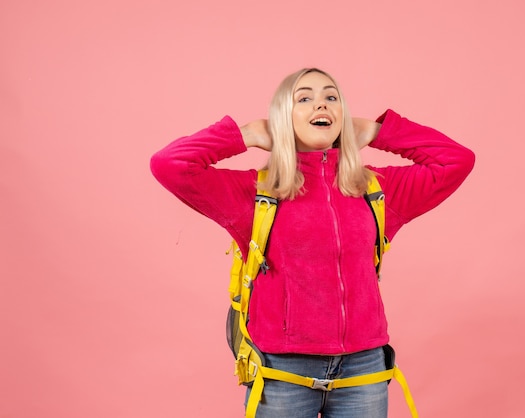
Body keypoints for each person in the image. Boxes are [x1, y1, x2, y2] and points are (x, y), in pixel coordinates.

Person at [150, 67, 475, 417]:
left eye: (331, 97)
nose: (321, 104)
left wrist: (380, 132)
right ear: (281, 119)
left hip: (363, 369)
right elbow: (170, 164)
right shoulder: (254, 194)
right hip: (282, 372)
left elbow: (456, 160)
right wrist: (244, 135)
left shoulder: (377, 189)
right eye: (303, 98)